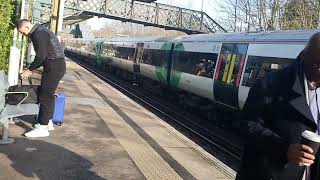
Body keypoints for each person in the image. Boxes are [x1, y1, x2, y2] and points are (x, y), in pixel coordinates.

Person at [236, 32, 320, 180]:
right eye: (318, 66)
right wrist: (284, 149)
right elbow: (247, 124)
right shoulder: (271, 83)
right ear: (304, 56)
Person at [17, 19, 66, 138]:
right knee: (48, 95)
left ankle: (42, 127)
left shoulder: (38, 34)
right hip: (55, 65)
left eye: (23, 32)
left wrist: (29, 69)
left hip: (53, 66)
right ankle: (47, 122)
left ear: (27, 27)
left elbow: (41, 56)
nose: (24, 35)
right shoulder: (41, 31)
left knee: (44, 96)